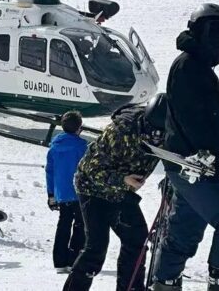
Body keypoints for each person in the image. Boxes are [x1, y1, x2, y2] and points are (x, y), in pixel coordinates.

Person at [150, 4, 219, 291]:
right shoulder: (188, 66)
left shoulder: (198, 66)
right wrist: (205, 155)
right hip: (193, 166)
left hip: (192, 165)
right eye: (213, 30)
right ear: (198, 30)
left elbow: (205, 118)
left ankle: (165, 284)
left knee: (185, 231)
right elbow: (189, 118)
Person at [62, 94, 168, 291]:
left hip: (122, 192)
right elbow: (91, 169)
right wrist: (122, 180)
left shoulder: (170, 130)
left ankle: (130, 288)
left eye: (161, 134)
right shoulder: (122, 130)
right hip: (92, 188)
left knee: (137, 240)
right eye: (153, 133)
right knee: (97, 247)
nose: (157, 137)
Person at [46, 110, 88, 273]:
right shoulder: (82, 147)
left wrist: (51, 194)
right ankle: (74, 259)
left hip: (61, 193)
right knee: (80, 226)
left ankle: (59, 261)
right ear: (79, 128)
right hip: (79, 192)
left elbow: (50, 172)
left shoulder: (54, 147)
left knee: (63, 225)